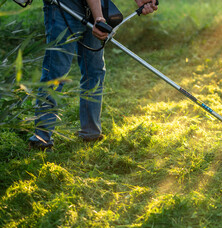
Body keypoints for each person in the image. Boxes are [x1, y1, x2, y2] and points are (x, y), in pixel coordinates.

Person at [28, 0, 157, 150]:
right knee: (56, 71)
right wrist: (99, 18)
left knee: (94, 70)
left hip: (95, 6)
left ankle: (91, 133)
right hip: (64, 5)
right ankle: (41, 139)